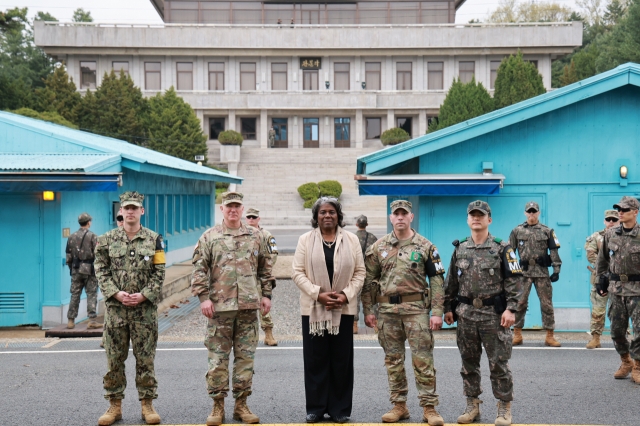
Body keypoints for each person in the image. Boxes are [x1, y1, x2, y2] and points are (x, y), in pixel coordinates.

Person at [191, 191, 274, 426]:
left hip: (248, 308)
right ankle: (217, 405)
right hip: (219, 309)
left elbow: (265, 269)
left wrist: (266, 295)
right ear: (222, 209)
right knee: (218, 359)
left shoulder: (256, 236)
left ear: (242, 208)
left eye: (237, 206)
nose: (233, 210)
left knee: (245, 359)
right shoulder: (209, 237)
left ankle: (241, 405)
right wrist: (204, 298)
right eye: (229, 206)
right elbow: (199, 269)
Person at [362, 200, 445, 425]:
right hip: (387, 312)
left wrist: (437, 311)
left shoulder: (426, 246)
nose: (400, 217)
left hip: (416, 311)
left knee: (423, 359)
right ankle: (399, 405)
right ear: (391, 218)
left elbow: (437, 280)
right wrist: (368, 310)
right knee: (393, 360)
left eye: (404, 214)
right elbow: (369, 280)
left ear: (411, 217)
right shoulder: (379, 247)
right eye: (396, 214)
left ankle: (429, 408)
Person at [444, 200, 524, 426]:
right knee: (468, 363)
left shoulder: (502, 248)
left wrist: (511, 309)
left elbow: (515, 281)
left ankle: (504, 407)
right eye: (472, 215)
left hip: (493, 315)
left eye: (481, 215)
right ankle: (472, 405)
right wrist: (448, 308)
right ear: (468, 219)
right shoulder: (459, 248)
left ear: (489, 219)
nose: (476, 218)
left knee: (498, 363)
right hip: (466, 315)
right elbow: (451, 282)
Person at [94, 191, 166, 426]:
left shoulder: (155, 239)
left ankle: (147, 404)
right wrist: (116, 293)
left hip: (144, 313)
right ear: (121, 211)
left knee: (145, 359)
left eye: (135, 208)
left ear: (142, 211)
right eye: (127, 208)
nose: (131, 212)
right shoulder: (106, 240)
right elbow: (101, 270)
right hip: (116, 311)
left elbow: (160, 272)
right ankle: (114, 405)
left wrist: (145, 295)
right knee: (114, 359)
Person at [292, 197, 365, 424]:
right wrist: (318, 294)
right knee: (315, 360)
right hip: (314, 310)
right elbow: (297, 272)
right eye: (322, 212)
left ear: (338, 215)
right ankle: (316, 407)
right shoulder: (305, 240)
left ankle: (339, 409)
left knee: (341, 361)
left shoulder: (351, 240)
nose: (327, 216)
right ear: (316, 216)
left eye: (332, 212)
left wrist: (344, 296)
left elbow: (360, 273)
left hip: (342, 309)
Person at [596, 196, 640, 384]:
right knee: (616, 331)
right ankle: (626, 360)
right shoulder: (611, 234)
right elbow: (603, 260)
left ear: (635, 212)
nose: (620, 212)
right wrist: (601, 281)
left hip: (638, 290)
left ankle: (638, 365)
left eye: (624, 210)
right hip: (616, 289)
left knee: (639, 332)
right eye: (618, 209)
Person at [508, 201, 562, 347]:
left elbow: (554, 251)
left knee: (546, 304)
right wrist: (512, 270)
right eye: (529, 211)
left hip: (541, 272)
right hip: (523, 273)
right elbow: (510, 252)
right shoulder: (517, 231)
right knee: (520, 303)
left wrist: (556, 269)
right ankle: (517, 334)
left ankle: (550, 335)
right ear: (525, 213)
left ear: (538, 213)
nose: (531, 214)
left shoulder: (547, 231)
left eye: (534, 211)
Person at [584, 209, 619, 349]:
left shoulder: (625, 236)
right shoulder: (597, 236)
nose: (611, 222)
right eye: (609, 219)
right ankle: (596, 338)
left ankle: (622, 338)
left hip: (620, 280)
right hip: (601, 278)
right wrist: (605, 268)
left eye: (614, 220)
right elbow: (591, 254)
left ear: (619, 221)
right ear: (605, 221)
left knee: (620, 310)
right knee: (598, 309)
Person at [245, 207, 279, 346]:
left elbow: (273, 254)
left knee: (263, 304)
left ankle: (268, 333)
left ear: (258, 219)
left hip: (260, 277)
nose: (251, 219)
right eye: (249, 217)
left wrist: (263, 270)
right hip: (245, 277)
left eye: (254, 217)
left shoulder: (266, 235)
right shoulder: (240, 234)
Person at [65, 212, 101, 329]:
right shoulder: (93, 236)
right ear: (89, 222)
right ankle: (92, 320)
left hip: (76, 269)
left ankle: (71, 320)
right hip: (89, 270)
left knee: (75, 294)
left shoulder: (71, 237)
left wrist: (72, 268)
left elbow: (68, 256)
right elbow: (98, 254)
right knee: (91, 294)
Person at [353, 214, 377, 334]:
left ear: (357, 224)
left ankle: (354, 325)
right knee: (372, 297)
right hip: (369, 272)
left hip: (356, 272)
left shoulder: (351, 237)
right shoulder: (373, 238)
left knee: (355, 298)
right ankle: (376, 324)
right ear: (366, 225)